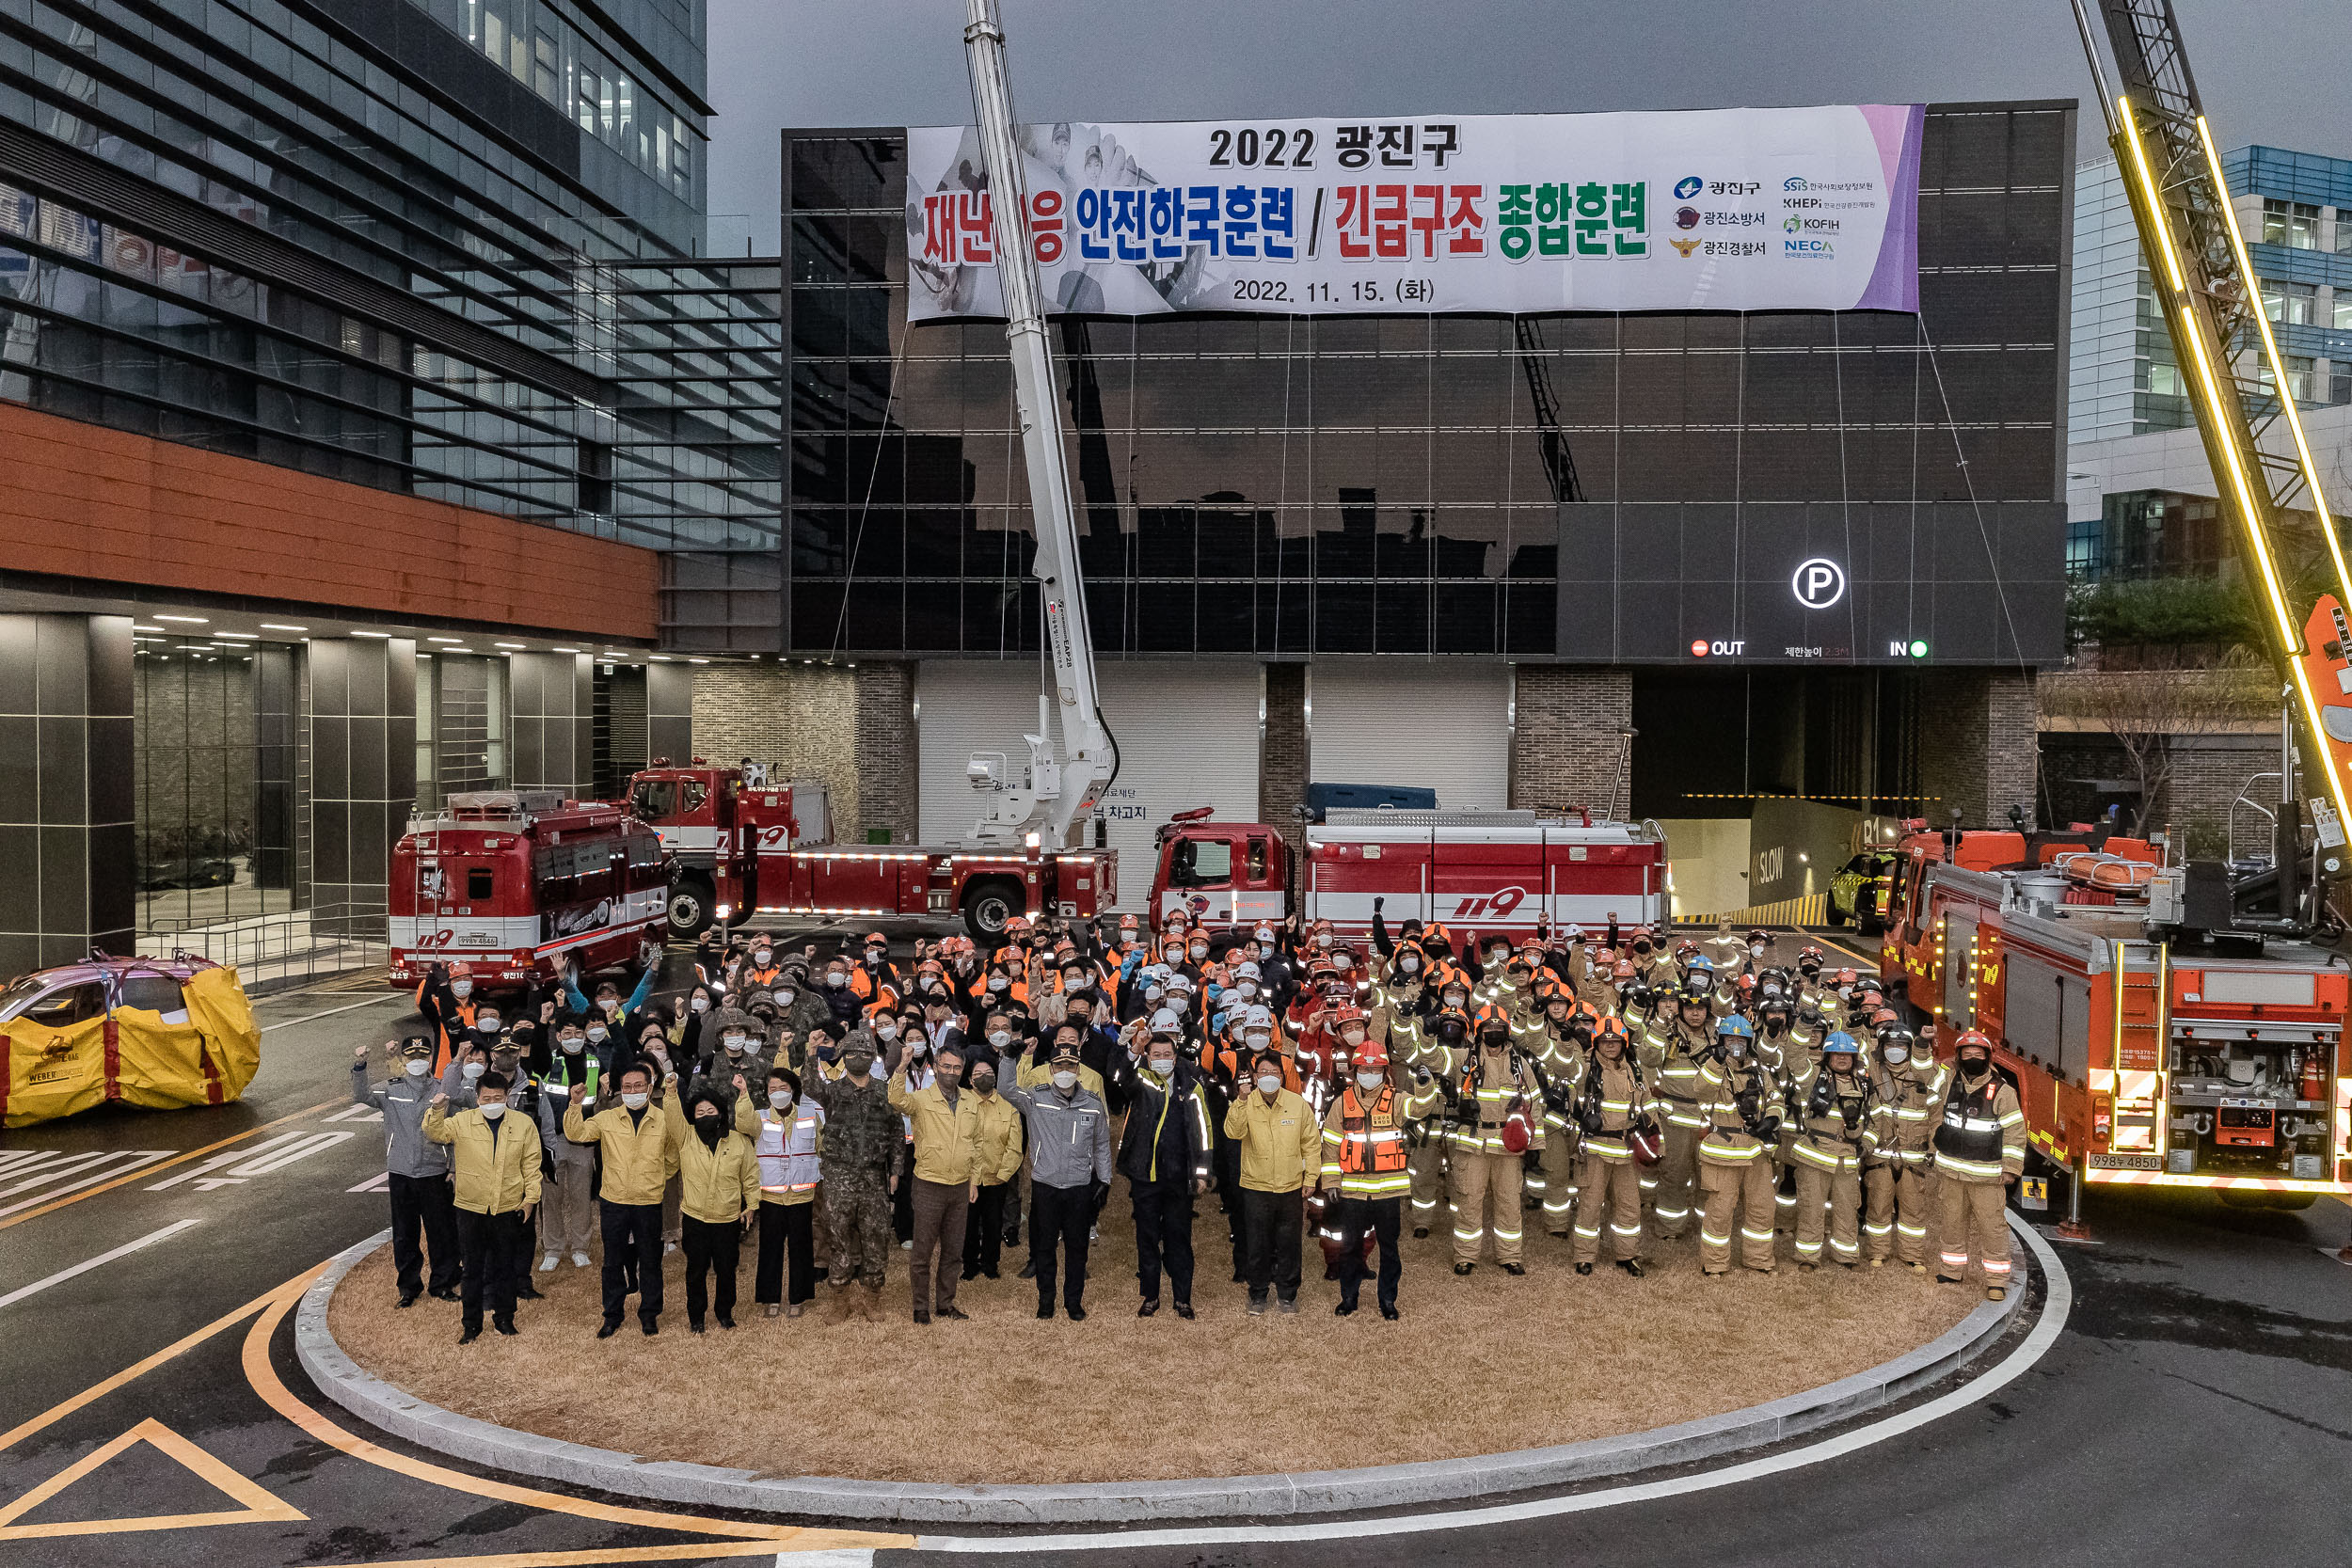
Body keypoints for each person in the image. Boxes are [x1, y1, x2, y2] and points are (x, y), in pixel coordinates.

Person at [422, 1069, 542, 1342]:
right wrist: (437, 1109)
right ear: (477, 1098)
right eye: (486, 1098)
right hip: (471, 1208)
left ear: (507, 1096)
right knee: (472, 1269)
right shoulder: (462, 1121)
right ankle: (471, 1325)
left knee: (505, 1267)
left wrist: (530, 1199)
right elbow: (434, 1132)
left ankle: (504, 1318)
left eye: (497, 1097)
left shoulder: (523, 1124)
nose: (492, 1102)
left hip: (507, 1207)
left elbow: (532, 1165)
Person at [562, 1062, 679, 1337]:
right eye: (627, 1086)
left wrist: (657, 1178)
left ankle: (649, 1314)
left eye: (639, 1086)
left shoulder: (664, 1120)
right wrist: (575, 1104)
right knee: (612, 1262)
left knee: (651, 1261)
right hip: (614, 1200)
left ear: (650, 1088)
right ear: (620, 1090)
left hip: (648, 1201)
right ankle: (612, 1315)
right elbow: (576, 1133)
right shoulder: (608, 1117)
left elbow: (674, 1155)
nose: (633, 1091)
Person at [1108, 1016, 1215, 1319]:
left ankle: (1183, 1298)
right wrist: (1131, 1049)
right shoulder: (1139, 1079)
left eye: (1167, 1055)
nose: (1162, 1060)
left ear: (1176, 1056)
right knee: (1147, 1237)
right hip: (1145, 1176)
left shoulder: (1191, 1085)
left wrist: (1202, 1172)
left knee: (1179, 1238)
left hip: (1179, 1178)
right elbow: (1118, 1077)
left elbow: (1202, 1129)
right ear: (1148, 1057)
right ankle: (1150, 1296)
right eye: (1156, 1055)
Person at [1001, 1043, 1113, 1319]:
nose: (1065, 1071)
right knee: (1045, 1247)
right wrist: (1008, 1057)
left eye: (1071, 1065)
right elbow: (1005, 1090)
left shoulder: (1093, 1104)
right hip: (1046, 1186)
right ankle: (1046, 1302)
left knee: (1077, 1249)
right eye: (1060, 1066)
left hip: (1079, 1188)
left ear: (1079, 1069)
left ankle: (1073, 1303)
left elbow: (1101, 1144)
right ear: (1051, 1069)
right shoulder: (1035, 1099)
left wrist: (1105, 1180)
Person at [352, 1037, 462, 1307]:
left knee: (442, 1232)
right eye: (411, 1056)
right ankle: (408, 1287)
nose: (417, 1061)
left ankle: (443, 1283)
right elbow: (362, 1096)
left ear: (430, 1058)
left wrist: (455, 1166)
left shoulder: (442, 1089)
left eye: (423, 1056)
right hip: (401, 1172)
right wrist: (360, 1065)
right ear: (403, 1059)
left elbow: (458, 1130)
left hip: (435, 1171)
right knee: (404, 1233)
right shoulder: (391, 1089)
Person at [803, 1033, 898, 1319]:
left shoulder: (885, 1091)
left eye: (865, 1053)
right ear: (844, 1058)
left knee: (876, 1237)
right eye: (853, 1053)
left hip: (873, 1177)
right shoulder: (832, 1091)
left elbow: (895, 1134)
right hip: (839, 1176)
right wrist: (811, 1052)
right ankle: (840, 1299)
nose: (859, 1058)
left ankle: (873, 1298)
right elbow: (809, 1086)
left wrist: (896, 1170)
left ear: (873, 1058)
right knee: (838, 1237)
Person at [888, 1041, 982, 1323]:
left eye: (956, 1067)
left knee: (954, 1250)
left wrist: (974, 1180)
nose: (951, 1072)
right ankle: (920, 1306)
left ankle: (945, 1303)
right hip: (929, 1183)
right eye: (946, 1066)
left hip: (960, 1185)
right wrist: (903, 1065)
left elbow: (976, 1143)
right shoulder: (920, 1099)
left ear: (962, 1070)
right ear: (936, 1067)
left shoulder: (970, 1101)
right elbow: (895, 1099)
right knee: (923, 1251)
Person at [1223, 1045, 1321, 1316]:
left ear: (1282, 1076)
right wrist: (1241, 1101)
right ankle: (1257, 1294)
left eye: (1274, 1072)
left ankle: (1288, 1294)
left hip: (1290, 1187)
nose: (1268, 1076)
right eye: (1263, 1071)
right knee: (1257, 1244)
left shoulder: (1297, 1104)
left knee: (1289, 1244)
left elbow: (1311, 1144)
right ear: (1255, 1076)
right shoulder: (1246, 1103)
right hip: (1256, 1187)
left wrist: (1311, 1177)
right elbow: (1232, 1132)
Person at [1317, 1040, 1410, 1320]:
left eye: (1376, 1069)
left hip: (1388, 1191)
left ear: (1384, 1071)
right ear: (1355, 1070)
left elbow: (1420, 1107)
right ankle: (1349, 1297)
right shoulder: (1341, 1104)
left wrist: (1425, 1086)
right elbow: (1330, 1145)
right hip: (1353, 1192)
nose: (1369, 1074)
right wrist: (1331, 1182)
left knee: (1390, 1249)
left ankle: (1387, 1300)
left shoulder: (1397, 1100)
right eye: (1364, 1069)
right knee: (1350, 1247)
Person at [1932, 1030, 2026, 1300]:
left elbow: (2015, 1133)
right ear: (1958, 1057)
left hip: (1987, 1177)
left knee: (1992, 1228)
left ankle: (1996, 1280)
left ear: (1988, 1058)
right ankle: (1951, 1270)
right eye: (1967, 1054)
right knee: (1951, 1223)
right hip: (1951, 1171)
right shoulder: (1948, 1081)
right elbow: (1927, 1069)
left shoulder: (2003, 1092)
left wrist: (2011, 1168)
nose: (1973, 1058)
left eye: (1978, 1054)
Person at [1695, 1016, 1781, 1276]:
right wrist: (1716, 1060)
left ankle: (1759, 1260)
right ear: (1721, 1041)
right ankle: (1715, 1264)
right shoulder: (1713, 1069)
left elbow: (1776, 1098)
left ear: (1748, 1042)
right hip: (1724, 1151)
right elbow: (1702, 1090)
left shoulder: (1760, 1071)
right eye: (1730, 1039)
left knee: (1762, 1208)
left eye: (1740, 1039)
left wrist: (1772, 1119)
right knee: (1720, 1211)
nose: (1736, 1044)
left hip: (1756, 1151)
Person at [1573, 1018, 1658, 1277]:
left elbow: (1648, 1102)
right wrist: (1567, 1043)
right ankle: (1584, 1256)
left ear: (1624, 1043)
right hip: (1596, 1147)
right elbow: (1564, 1066)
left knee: (1629, 1206)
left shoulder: (1635, 1070)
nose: (1610, 1046)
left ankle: (1627, 1255)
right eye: (1604, 1041)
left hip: (1626, 1149)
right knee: (1590, 1204)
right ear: (1596, 1043)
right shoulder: (1584, 1069)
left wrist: (1651, 1127)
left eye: (1615, 1041)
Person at [674, 1082, 760, 1332]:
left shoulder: (738, 1141)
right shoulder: (686, 1136)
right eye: (700, 1113)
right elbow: (671, 1115)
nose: (705, 1116)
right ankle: (696, 1318)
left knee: (726, 1270)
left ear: (721, 1113)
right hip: (695, 1218)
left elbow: (750, 1175)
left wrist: (752, 1204)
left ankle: (724, 1313)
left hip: (727, 1219)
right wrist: (670, 1092)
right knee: (696, 1271)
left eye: (710, 1111)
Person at [739, 1065, 824, 1317]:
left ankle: (798, 1298)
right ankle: (770, 1299)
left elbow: (821, 1145)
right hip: (771, 1195)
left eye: (782, 1088)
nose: (777, 1092)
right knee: (770, 1248)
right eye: (772, 1088)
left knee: (801, 1247)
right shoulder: (760, 1117)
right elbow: (742, 1122)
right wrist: (743, 1095)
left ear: (793, 1090)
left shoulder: (810, 1115)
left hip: (802, 1193)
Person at [1789, 1032, 1877, 1271]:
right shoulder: (1813, 1078)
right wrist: (1803, 1026)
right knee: (1811, 1206)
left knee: (1848, 1207)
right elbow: (1795, 1057)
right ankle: (1808, 1256)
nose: (1842, 1058)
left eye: (1847, 1054)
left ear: (1854, 1058)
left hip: (1847, 1157)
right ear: (1828, 1056)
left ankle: (1845, 1255)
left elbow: (1877, 1120)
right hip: (1815, 1155)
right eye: (1837, 1054)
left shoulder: (1865, 1085)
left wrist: (1866, 1144)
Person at [1868, 1024, 1941, 1270]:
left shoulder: (1923, 1077)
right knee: (1878, 1207)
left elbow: (1936, 1117)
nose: (1895, 1050)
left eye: (1901, 1046)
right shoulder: (1874, 1072)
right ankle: (1878, 1252)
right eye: (1889, 1046)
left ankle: (1913, 1255)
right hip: (1881, 1154)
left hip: (1913, 1157)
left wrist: (1933, 1149)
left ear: (1910, 1050)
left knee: (1913, 1210)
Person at [532, 1018, 601, 1273]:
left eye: (579, 1032)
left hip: (583, 1138)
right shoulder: (547, 1060)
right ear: (559, 1036)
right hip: (553, 1137)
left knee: (581, 1195)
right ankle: (553, 1248)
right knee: (551, 1195)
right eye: (568, 1032)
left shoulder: (594, 1061)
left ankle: (581, 1248)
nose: (574, 1037)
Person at [961, 1056, 1024, 1282]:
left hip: (996, 1178)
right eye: (978, 1074)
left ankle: (990, 1263)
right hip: (967, 1179)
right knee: (967, 1224)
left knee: (993, 1223)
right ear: (969, 1080)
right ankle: (969, 1264)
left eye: (988, 1072)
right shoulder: (960, 1105)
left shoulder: (1009, 1109)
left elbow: (1014, 1147)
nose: (983, 1077)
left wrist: (1003, 1175)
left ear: (995, 1077)